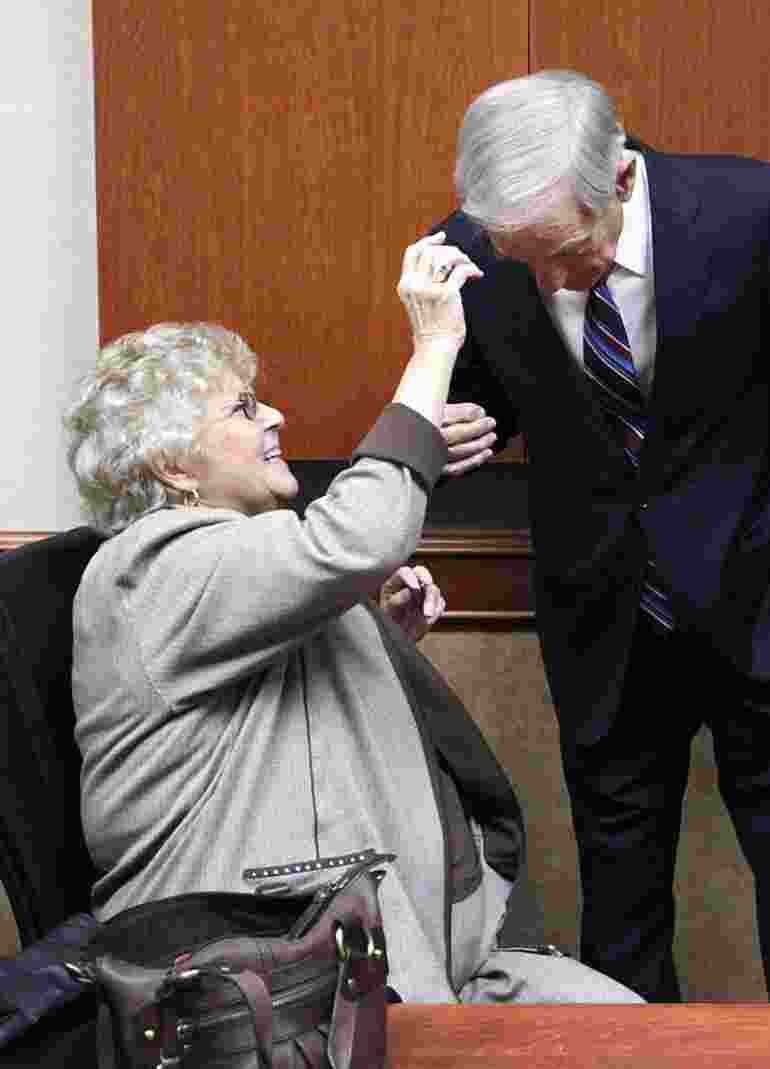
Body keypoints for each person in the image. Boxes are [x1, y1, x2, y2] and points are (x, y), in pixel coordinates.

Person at [66, 233, 642, 1006]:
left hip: (394, 946)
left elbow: (271, 715)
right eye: (244, 407)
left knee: (637, 1029)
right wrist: (435, 346)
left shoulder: (226, 563)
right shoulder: (148, 567)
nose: (276, 416)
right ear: (174, 466)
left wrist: (379, 640)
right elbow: (357, 539)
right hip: (261, 981)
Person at [436, 70, 770, 1003]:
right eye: (526, 261)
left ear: (621, 176)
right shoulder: (477, 250)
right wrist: (446, 423)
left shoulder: (750, 213)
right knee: (621, 920)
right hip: (605, 627)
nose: (550, 282)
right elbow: (493, 399)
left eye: (568, 253)